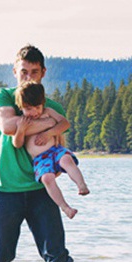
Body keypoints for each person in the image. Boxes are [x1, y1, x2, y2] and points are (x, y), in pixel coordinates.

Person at [0, 44, 75, 262]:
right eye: (23, 72)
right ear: (15, 71)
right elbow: (8, 126)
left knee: (56, 253)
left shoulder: (54, 106)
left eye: (34, 72)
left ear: (43, 73)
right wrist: (44, 122)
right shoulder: (3, 96)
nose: (29, 78)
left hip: (41, 190)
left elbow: (61, 134)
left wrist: (40, 124)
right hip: (6, 189)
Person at [13, 82, 90, 219]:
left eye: (37, 107)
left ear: (43, 103)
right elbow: (17, 144)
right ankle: (65, 208)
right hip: (40, 159)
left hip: (55, 150)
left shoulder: (48, 112)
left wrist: (49, 133)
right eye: (29, 109)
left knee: (67, 159)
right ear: (21, 107)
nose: (34, 112)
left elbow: (65, 123)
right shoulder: (22, 121)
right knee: (47, 178)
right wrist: (21, 130)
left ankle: (81, 185)